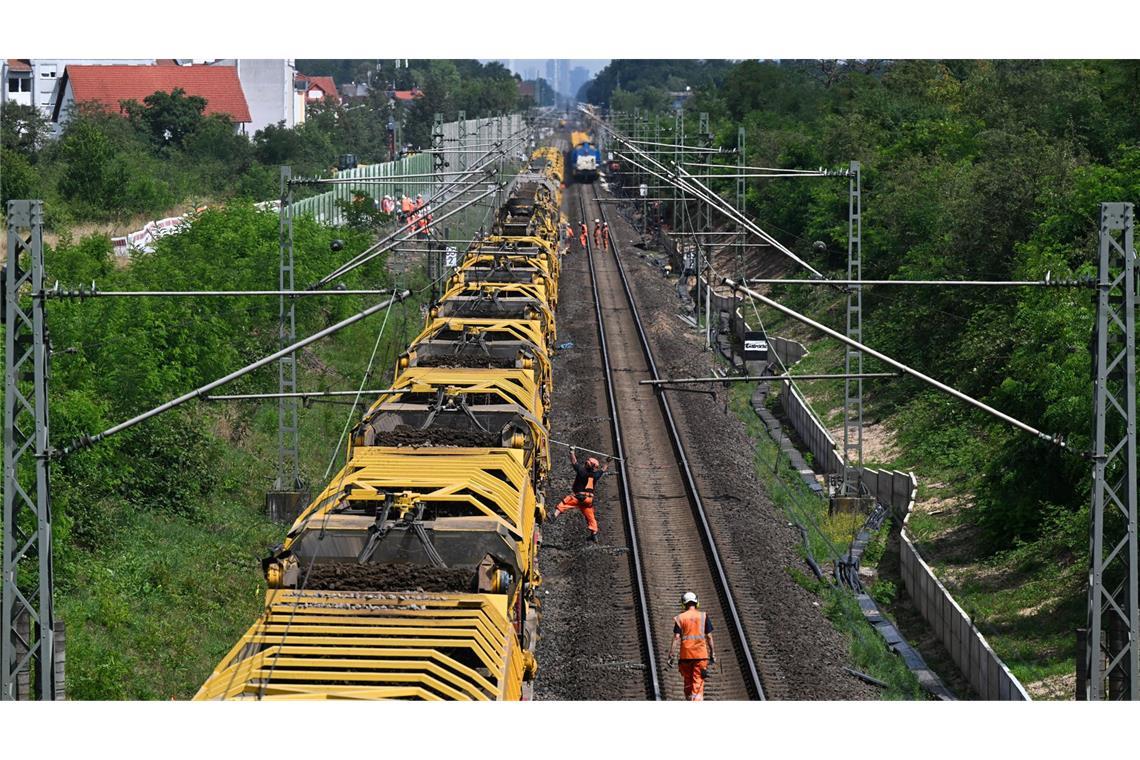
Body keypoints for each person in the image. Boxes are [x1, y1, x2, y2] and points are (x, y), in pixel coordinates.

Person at [550, 446, 610, 542]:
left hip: (579, 497)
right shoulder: (595, 475)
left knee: (566, 502)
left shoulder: (582, 471)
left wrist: (572, 451)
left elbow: (574, 462)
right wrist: (608, 461)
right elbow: (603, 469)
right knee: (590, 515)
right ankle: (594, 533)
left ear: (589, 465)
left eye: (587, 462)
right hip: (589, 500)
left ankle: (554, 515)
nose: (586, 462)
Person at [667, 591, 716, 701]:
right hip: (701, 655)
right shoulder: (703, 616)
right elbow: (709, 637)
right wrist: (712, 653)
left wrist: (671, 655)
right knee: (697, 681)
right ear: (696, 602)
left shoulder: (680, 618)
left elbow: (676, 637)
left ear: (683, 604)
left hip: (685, 657)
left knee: (688, 681)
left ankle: (689, 699)